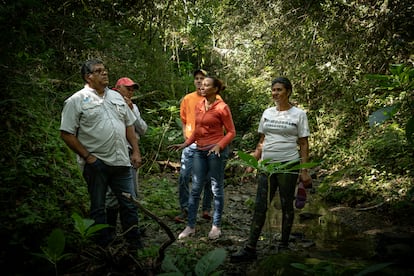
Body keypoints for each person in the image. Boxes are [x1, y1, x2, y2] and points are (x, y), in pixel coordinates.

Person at [60, 59, 143, 249]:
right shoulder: (76, 101)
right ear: (88, 77)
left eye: (105, 70)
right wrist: (89, 157)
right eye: (98, 71)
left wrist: (136, 151)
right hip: (97, 164)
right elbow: (66, 133)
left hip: (122, 161)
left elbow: (129, 125)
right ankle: (103, 247)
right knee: (99, 207)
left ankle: (135, 245)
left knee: (129, 204)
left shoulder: (116, 97)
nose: (104, 73)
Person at [230, 77, 311, 262]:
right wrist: (252, 163)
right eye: (273, 90)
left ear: (288, 91)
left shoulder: (299, 114)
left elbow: (304, 143)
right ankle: (250, 247)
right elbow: (262, 141)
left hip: (288, 165)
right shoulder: (267, 112)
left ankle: (283, 246)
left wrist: (304, 171)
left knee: (286, 205)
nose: (275, 93)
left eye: (279, 90)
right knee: (260, 205)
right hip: (266, 166)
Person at [170, 76, 236, 240]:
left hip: (215, 152)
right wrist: (185, 144)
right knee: (196, 188)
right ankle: (190, 226)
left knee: (216, 187)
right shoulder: (199, 105)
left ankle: (216, 226)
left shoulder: (222, 107)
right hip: (199, 150)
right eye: (201, 85)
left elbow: (231, 132)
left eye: (206, 85)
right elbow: (198, 130)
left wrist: (219, 146)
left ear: (215, 89)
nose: (202, 87)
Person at [175, 69, 221, 223]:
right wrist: (186, 138)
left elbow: (223, 124)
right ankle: (185, 209)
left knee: (208, 179)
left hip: (209, 145)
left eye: (203, 78)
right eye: (197, 78)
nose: (199, 81)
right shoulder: (188, 99)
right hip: (191, 144)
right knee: (184, 176)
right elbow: (184, 120)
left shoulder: (217, 99)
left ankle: (206, 209)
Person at [106, 77, 148, 234]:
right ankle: (110, 231)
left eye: (133, 89)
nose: (131, 91)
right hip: (113, 152)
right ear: (118, 88)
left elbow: (143, 129)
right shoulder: (109, 103)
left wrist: (131, 111)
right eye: (128, 88)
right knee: (111, 194)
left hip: (130, 153)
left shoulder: (133, 107)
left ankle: (131, 230)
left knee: (132, 193)